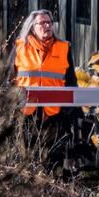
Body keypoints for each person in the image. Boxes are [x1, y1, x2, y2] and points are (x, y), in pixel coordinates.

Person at [12, 9, 78, 174]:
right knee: (26, 160)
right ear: (33, 27)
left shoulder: (64, 48)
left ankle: (53, 193)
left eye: (49, 22)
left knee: (53, 161)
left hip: (54, 115)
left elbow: (71, 83)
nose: (47, 26)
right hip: (26, 114)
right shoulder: (20, 47)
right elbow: (8, 80)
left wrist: (66, 111)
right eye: (42, 23)